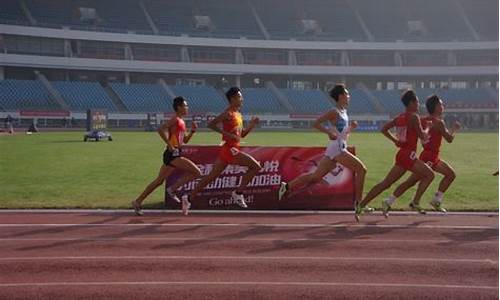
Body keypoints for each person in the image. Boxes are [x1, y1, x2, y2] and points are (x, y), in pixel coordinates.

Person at [277, 84, 368, 221]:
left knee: (315, 176)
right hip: (337, 149)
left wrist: (351, 128)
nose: (349, 97)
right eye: (347, 94)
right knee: (362, 170)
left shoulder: (344, 112)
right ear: (341, 96)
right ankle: (359, 204)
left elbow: (342, 134)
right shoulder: (334, 112)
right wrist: (328, 132)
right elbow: (316, 123)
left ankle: (287, 186)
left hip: (336, 147)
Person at [180, 87, 261, 215]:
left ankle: (188, 198)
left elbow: (241, 135)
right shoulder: (228, 113)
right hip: (230, 149)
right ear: (233, 99)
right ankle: (238, 193)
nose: (242, 99)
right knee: (255, 166)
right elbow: (211, 124)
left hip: (232, 148)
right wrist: (225, 134)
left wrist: (251, 125)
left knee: (211, 177)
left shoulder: (238, 115)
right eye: (240, 97)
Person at [357, 90, 434, 220]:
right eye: (417, 102)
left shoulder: (399, 117)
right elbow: (423, 136)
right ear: (411, 103)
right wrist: (429, 127)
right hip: (409, 155)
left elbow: (383, 129)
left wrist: (395, 141)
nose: (418, 104)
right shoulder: (414, 117)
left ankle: (362, 205)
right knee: (429, 174)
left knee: (386, 183)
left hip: (402, 155)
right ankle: (415, 202)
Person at [380, 95, 460, 215]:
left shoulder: (422, 120)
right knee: (413, 181)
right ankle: (410, 201)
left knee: (449, 174)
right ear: (436, 107)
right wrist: (455, 129)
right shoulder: (439, 123)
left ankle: (435, 200)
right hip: (430, 157)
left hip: (429, 155)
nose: (443, 107)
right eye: (441, 104)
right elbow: (449, 139)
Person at [132, 96, 201, 216]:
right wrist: (169, 144)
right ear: (179, 107)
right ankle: (173, 189)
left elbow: (184, 140)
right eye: (185, 105)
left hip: (176, 153)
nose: (187, 108)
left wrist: (193, 131)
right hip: (172, 154)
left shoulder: (182, 121)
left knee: (159, 181)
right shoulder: (175, 119)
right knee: (197, 172)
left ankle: (137, 201)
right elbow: (160, 129)